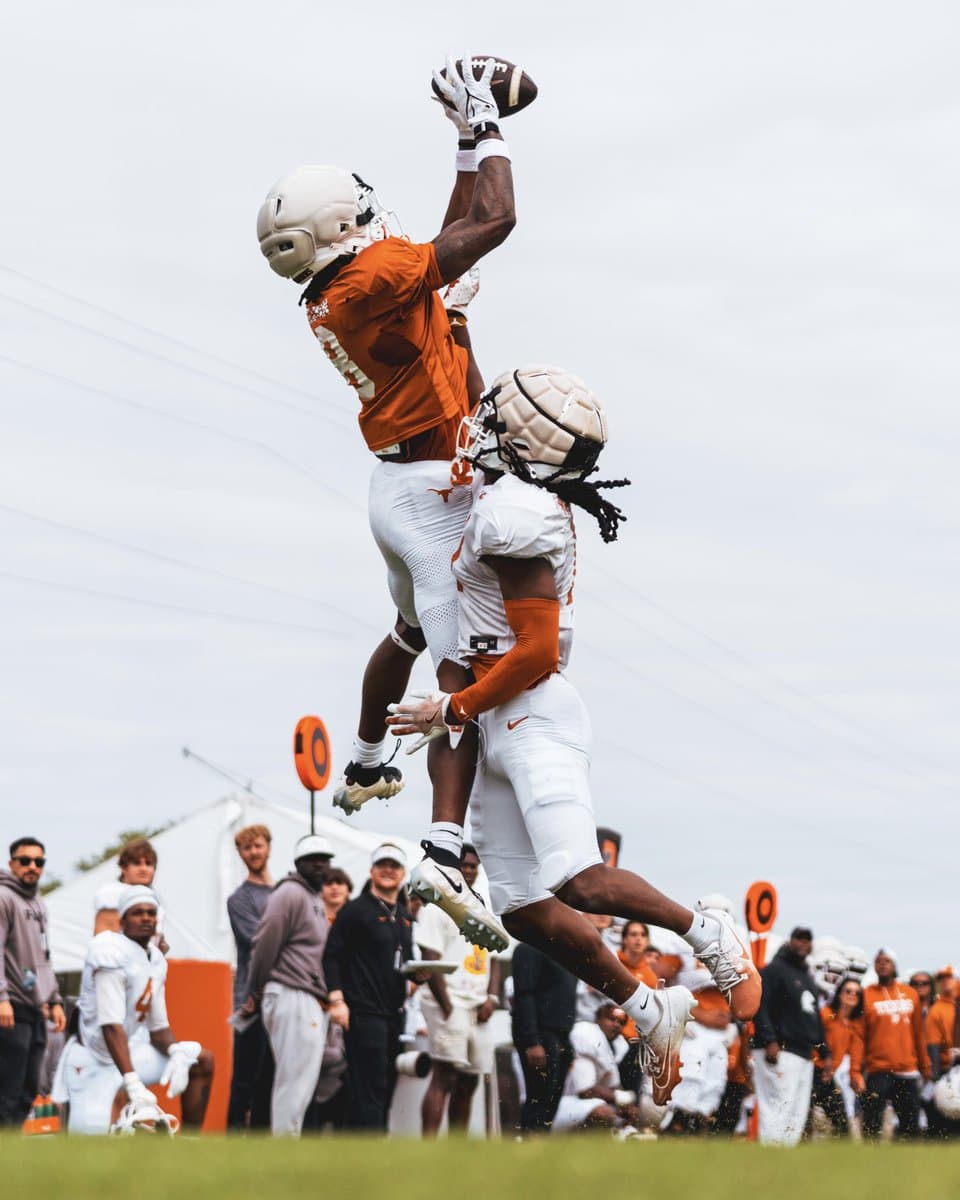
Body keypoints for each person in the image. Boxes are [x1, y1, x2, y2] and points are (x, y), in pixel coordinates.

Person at [387, 365, 762, 1103]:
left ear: (521, 445)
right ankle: (650, 1009)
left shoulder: (515, 513)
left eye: (497, 417)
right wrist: (452, 316)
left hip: (531, 708)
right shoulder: (513, 487)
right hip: (494, 709)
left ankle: (708, 933)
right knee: (522, 909)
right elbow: (467, 388)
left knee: (580, 881)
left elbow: (532, 652)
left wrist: (453, 710)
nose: (481, 421)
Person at [256, 55, 520, 955]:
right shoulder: (368, 280)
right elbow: (493, 221)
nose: (372, 218)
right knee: (460, 682)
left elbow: (447, 241)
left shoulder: (344, 288)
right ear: (338, 226)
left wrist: (464, 144)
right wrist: (489, 125)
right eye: (358, 212)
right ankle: (443, 849)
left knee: (407, 635)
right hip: (432, 494)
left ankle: (368, 758)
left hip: (403, 483)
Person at [60, 886, 213, 1134]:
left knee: (200, 1060)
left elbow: (159, 1029)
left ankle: (188, 1145)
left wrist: (175, 1053)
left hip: (126, 1055)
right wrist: (133, 1083)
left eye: (151, 913)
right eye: (137, 912)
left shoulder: (156, 959)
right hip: (94, 1060)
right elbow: (110, 1027)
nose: (145, 918)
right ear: (122, 921)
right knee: (89, 1143)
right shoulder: (108, 950)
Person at [245, 833, 336, 1136]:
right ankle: (283, 1146)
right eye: (313, 860)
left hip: (305, 995)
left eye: (324, 860)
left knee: (302, 1082)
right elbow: (264, 944)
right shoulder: (290, 893)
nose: (320, 865)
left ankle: (288, 1142)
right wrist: (257, 988)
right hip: (290, 992)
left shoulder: (313, 897)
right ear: (299, 864)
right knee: (293, 1082)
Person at [322, 843, 415, 1131]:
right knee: (369, 1085)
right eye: (382, 865)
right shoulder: (355, 910)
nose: (388, 871)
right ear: (372, 870)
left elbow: (407, 960)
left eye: (394, 866)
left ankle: (377, 1144)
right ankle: (367, 1144)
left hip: (394, 1015)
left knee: (387, 1083)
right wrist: (337, 1000)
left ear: (403, 873)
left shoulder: (404, 915)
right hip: (363, 1012)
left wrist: (418, 977)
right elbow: (331, 956)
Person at [416, 844, 501, 1137]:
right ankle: (429, 1149)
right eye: (462, 865)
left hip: (479, 1004)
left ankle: (457, 1150)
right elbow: (429, 956)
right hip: (449, 1000)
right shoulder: (437, 904)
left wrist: (492, 997)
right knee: (444, 1075)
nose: (467, 870)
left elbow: (496, 956)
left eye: (472, 866)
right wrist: (447, 1006)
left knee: (470, 1079)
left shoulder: (483, 905)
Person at [0, 838, 65, 1126]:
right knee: (8, 1088)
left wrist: (55, 999)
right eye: (25, 860)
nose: (32, 867)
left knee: (29, 1089)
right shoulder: (4, 898)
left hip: (35, 1007)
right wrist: (1, 997)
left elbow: (43, 957)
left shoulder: (39, 903)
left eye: (39, 862)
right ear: (11, 863)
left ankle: (13, 1147)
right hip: (11, 1006)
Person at [750, 926, 828, 1145]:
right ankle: (770, 1153)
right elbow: (759, 1006)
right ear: (789, 941)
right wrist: (769, 1040)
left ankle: (784, 1156)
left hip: (803, 1052)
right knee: (778, 1105)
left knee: (796, 1110)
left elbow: (814, 1018)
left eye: (807, 940)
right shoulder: (774, 970)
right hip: (779, 1049)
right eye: (799, 939)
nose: (803, 943)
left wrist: (826, 1053)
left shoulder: (806, 976)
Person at [853, 947, 931, 1140]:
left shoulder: (910, 993)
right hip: (877, 1070)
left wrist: (925, 1064)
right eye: (878, 961)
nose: (882, 964)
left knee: (910, 1125)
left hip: (907, 1070)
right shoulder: (867, 994)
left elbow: (918, 1033)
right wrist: (855, 1070)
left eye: (887, 961)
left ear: (895, 965)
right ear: (874, 967)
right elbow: (859, 1036)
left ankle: (908, 1158)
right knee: (871, 1124)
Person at [226, 824, 275, 1131]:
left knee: (271, 1074)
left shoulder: (285, 891)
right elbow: (259, 940)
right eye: (247, 847)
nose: (254, 852)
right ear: (240, 854)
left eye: (258, 845)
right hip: (251, 999)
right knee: (246, 1075)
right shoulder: (239, 899)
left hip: (283, 995)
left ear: (268, 847)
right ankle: (234, 1134)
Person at [511, 939, 578, 1133]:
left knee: (551, 1101)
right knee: (539, 1097)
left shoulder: (564, 952)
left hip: (561, 1034)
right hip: (540, 1035)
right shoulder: (528, 948)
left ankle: (540, 1143)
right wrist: (532, 1041)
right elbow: (524, 995)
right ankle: (529, 1142)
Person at [553, 1004, 641, 1137]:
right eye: (612, 1019)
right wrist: (622, 1098)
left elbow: (614, 1086)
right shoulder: (586, 1035)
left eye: (621, 1022)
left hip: (581, 1105)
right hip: (560, 1104)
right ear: (597, 1019)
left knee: (628, 1113)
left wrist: (628, 1107)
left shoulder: (613, 1047)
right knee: (603, 1113)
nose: (617, 1025)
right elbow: (586, 1091)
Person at [93, 837, 168, 954]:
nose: (143, 869)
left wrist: (158, 949)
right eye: (137, 863)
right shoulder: (112, 893)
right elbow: (103, 942)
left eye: (148, 864)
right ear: (124, 868)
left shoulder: (154, 897)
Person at [812, 976, 864, 1137]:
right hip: (813, 1070)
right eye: (848, 991)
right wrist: (821, 1062)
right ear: (840, 994)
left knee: (841, 1120)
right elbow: (814, 1039)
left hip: (829, 1075)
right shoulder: (826, 1014)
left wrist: (855, 1075)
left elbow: (856, 1053)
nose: (852, 995)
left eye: (857, 993)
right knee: (802, 1116)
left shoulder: (855, 1024)